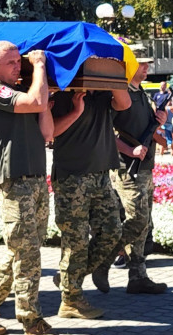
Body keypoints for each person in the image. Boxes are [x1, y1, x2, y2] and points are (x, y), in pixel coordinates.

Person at [0, 42, 59, 335]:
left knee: (23, 248)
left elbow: (47, 132)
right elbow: (35, 102)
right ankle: (31, 322)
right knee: (27, 252)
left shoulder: (23, 93)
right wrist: (41, 66)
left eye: (19, 62)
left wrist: (45, 98)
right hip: (13, 180)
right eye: (10, 63)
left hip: (35, 178)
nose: (17, 67)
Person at [50, 87, 130, 318]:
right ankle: (71, 300)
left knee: (112, 232)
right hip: (72, 177)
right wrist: (76, 111)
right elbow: (51, 131)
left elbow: (124, 104)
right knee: (75, 240)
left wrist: (113, 76)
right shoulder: (64, 95)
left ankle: (69, 280)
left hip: (101, 175)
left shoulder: (105, 94)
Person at [109, 56, 167, 295]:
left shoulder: (141, 93)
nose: (146, 68)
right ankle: (95, 260)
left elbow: (142, 129)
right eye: (142, 63)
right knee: (137, 220)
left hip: (144, 167)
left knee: (144, 223)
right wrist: (129, 150)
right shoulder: (119, 95)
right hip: (126, 168)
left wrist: (158, 122)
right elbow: (105, 132)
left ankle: (138, 276)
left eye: (148, 64)